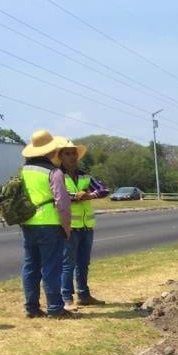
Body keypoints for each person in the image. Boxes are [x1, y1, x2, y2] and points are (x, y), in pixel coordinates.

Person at [19, 130, 75, 319]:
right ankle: (55, 309)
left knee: (31, 266)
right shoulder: (53, 172)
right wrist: (66, 228)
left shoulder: (24, 170)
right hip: (49, 223)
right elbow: (63, 203)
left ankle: (31, 308)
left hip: (28, 223)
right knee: (51, 267)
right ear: (51, 151)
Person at [59, 139, 109, 309]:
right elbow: (58, 195)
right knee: (68, 264)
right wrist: (77, 196)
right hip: (69, 227)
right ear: (60, 157)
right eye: (67, 153)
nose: (72, 156)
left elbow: (104, 189)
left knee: (83, 263)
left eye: (74, 153)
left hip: (86, 226)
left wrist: (90, 195)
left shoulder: (85, 176)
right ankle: (66, 298)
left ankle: (84, 295)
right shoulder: (58, 175)